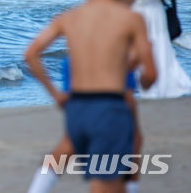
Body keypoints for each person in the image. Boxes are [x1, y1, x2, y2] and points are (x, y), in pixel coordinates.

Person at [25, 0, 156, 193]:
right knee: (105, 183)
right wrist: (137, 71)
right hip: (109, 108)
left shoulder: (68, 17)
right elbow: (151, 76)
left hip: (76, 107)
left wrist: (55, 94)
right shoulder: (129, 18)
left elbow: (31, 54)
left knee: (70, 154)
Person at [26, 57, 143, 193]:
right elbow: (148, 75)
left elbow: (31, 54)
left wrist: (55, 94)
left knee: (69, 143)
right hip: (113, 64)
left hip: (76, 63)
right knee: (123, 143)